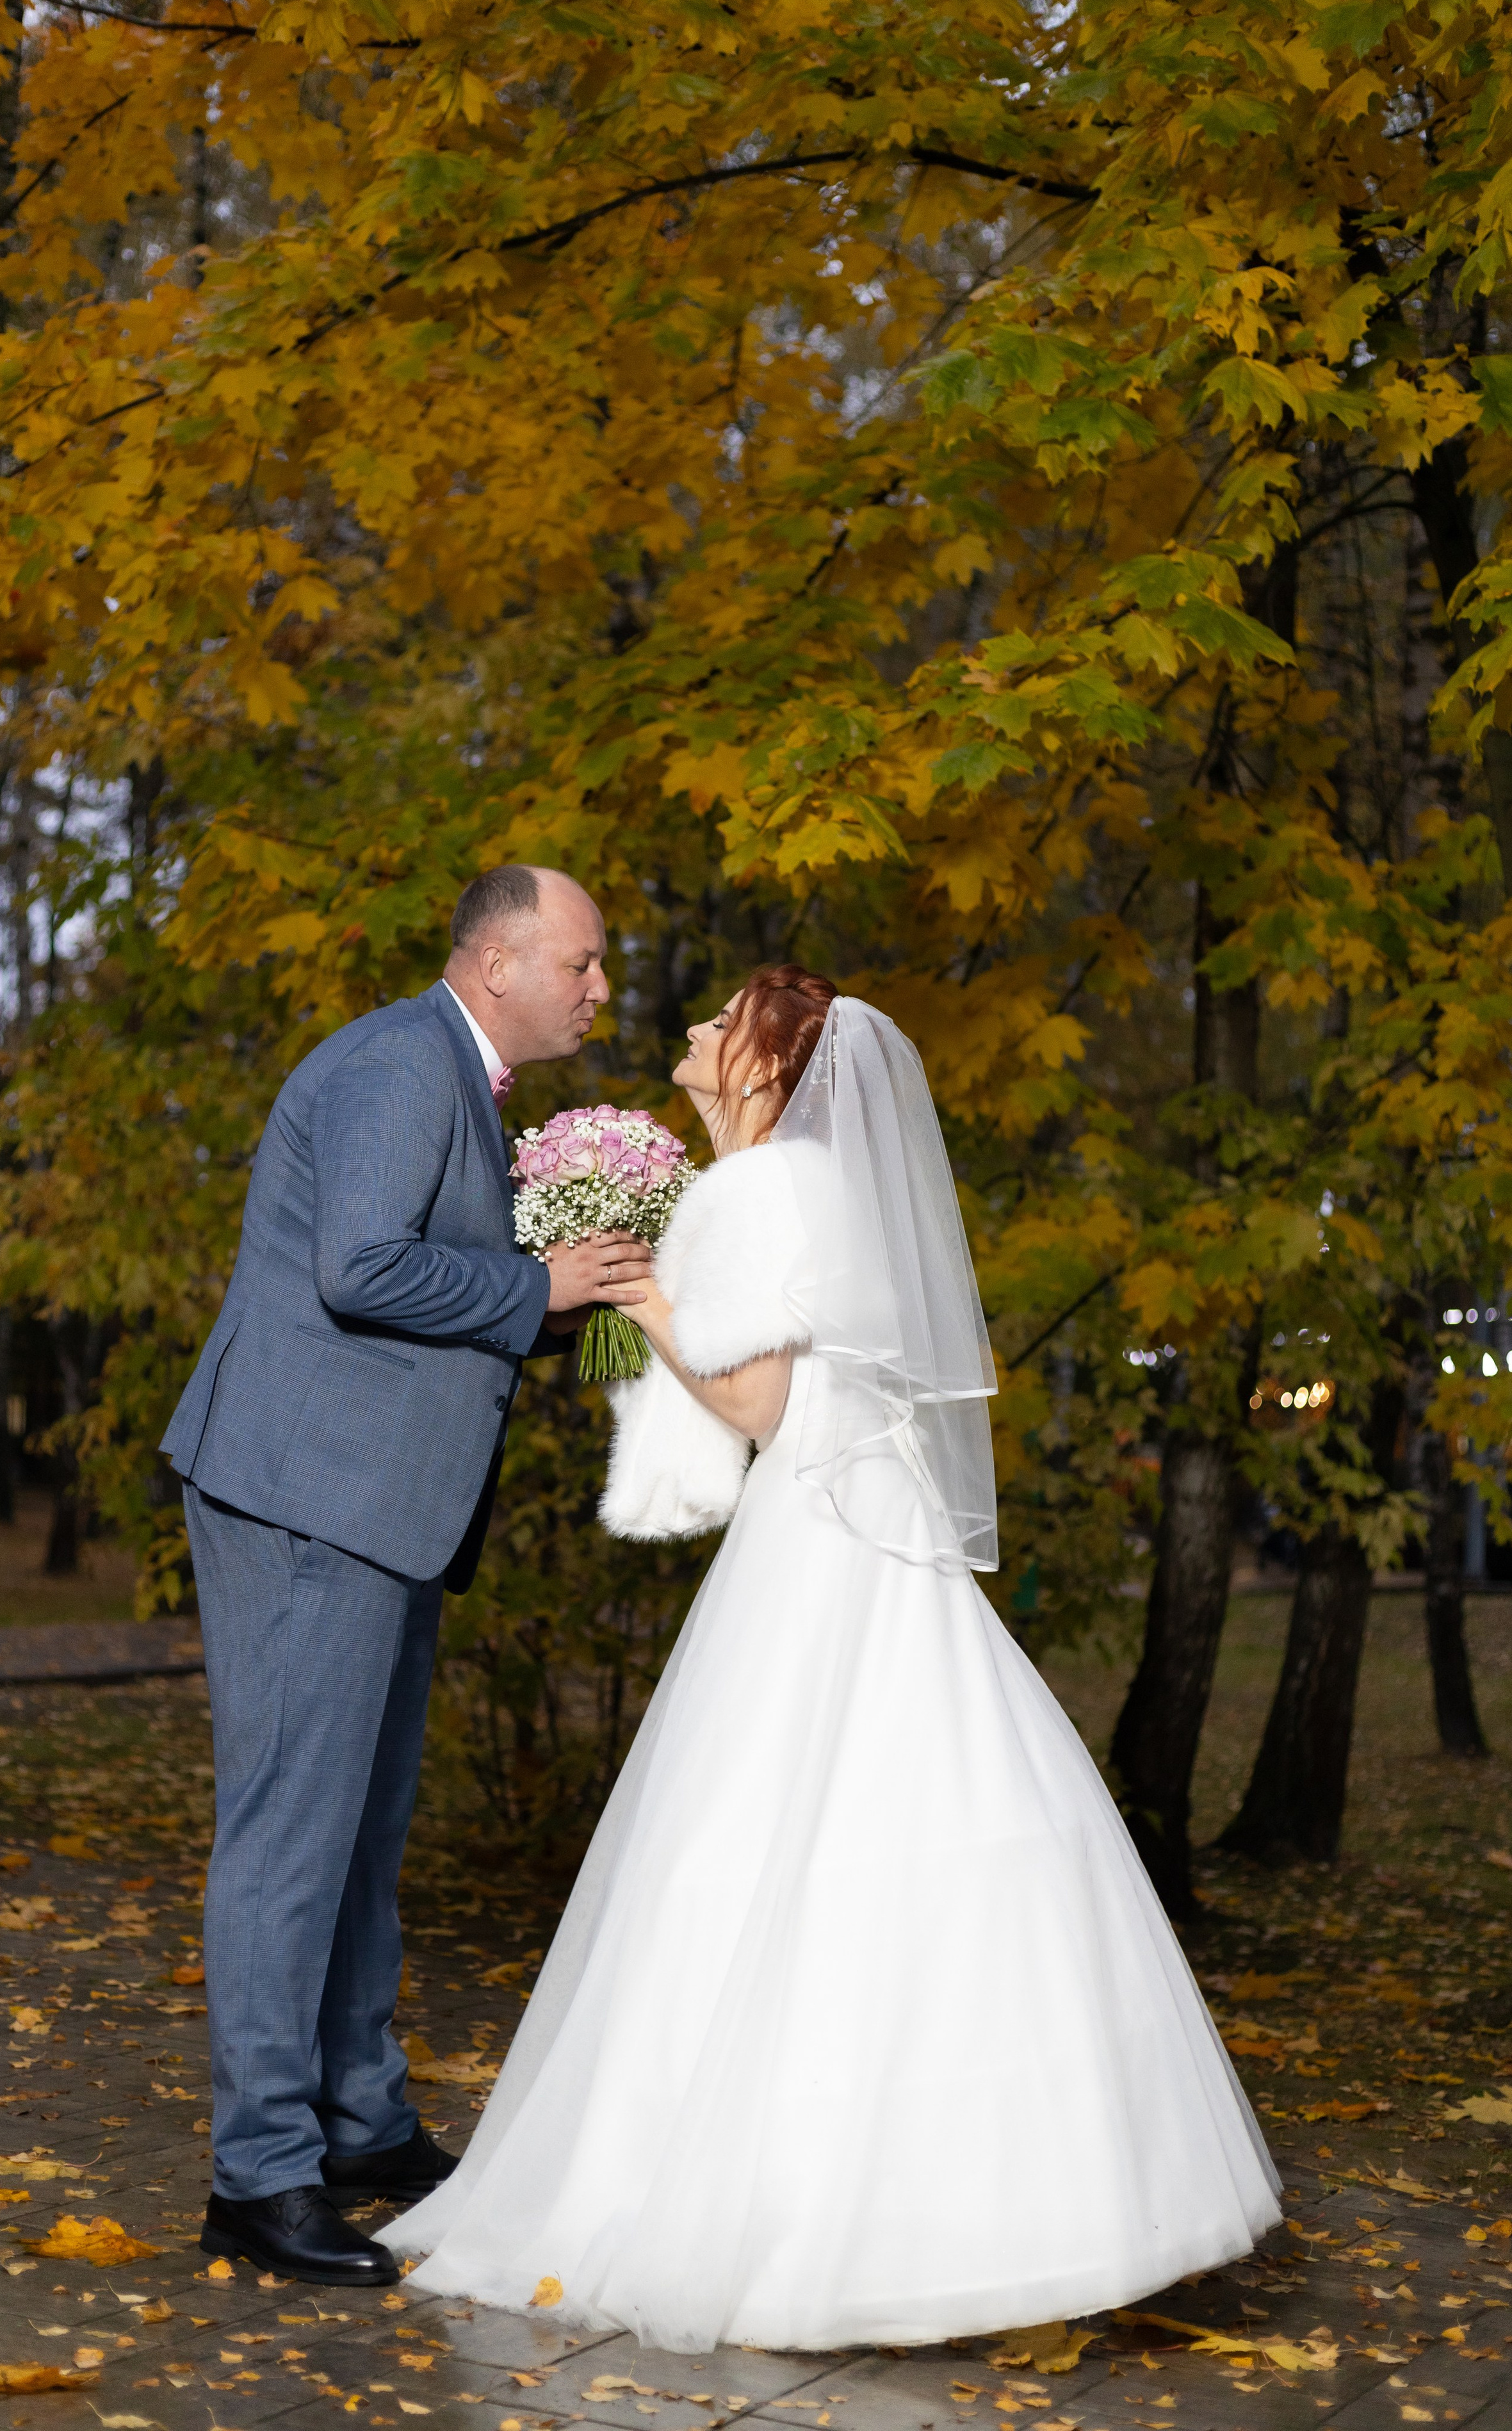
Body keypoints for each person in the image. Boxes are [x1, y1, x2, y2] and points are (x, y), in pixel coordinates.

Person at [382, 964, 1280, 2351]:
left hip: (815, 1548)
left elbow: (759, 1398)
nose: (684, 1028)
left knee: (761, 1841)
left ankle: (762, 2213)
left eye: (713, 1019)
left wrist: (637, 1287)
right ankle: (995, 2214)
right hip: (864, 1536)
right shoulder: (807, 1183)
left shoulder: (759, 1189)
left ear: (759, 1062)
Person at [159, 865, 651, 2289]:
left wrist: (574, 1296)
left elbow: (432, 1282)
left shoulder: (453, 1070)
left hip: (380, 1508)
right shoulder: (395, 1065)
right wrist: (537, 1292)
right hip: (309, 1497)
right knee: (289, 1839)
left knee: (362, 1840)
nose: (599, 988)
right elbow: (360, 1269)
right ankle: (257, 2180)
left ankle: (360, 2126)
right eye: (583, 962)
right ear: (496, 964)